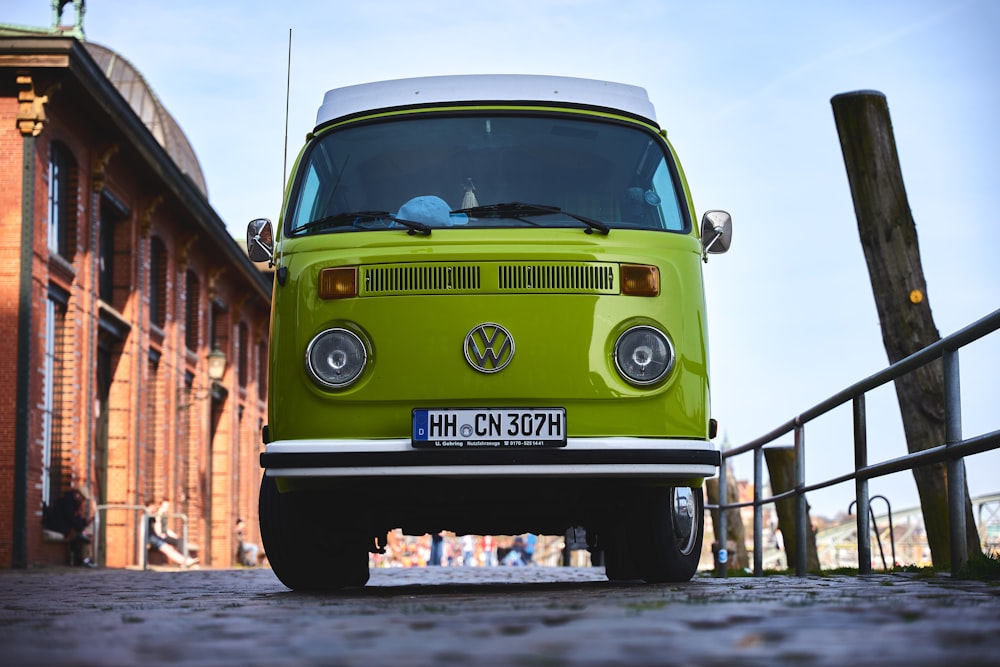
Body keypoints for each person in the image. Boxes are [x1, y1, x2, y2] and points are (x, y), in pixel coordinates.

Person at [42, 487, 95, 567]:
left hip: (65, 527)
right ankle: (84, 559)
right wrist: (82, 529)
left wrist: (84, 522)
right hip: (59, 526)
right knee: (83, 537)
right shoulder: (68, 503)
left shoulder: (73, 504)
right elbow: (72, 519)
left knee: (84, 536)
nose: (83, 501)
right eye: (82, 498)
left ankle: (84, 559)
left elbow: (76, 520)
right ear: (78, 495)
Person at [145, 498, 197, 568]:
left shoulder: (158, 514)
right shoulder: (155, 514)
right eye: (165, 506)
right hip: (154, 537)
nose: (167, 508)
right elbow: (157, 528)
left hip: (155, 537)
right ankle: (185, 561)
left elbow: (164, 529)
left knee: (175, 544)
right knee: (168, 548)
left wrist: (172, 534)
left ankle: (186, 560)